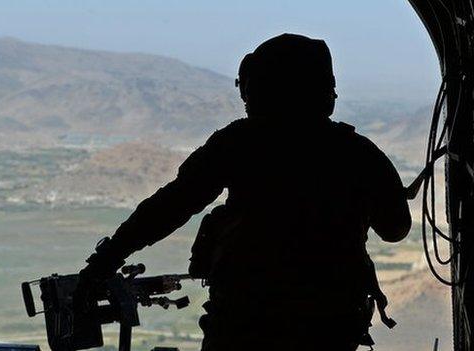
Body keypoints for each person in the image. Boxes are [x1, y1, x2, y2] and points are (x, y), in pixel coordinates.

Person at [77, 33, 412, 350]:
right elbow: (396, 229)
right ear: (326, 90)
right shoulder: (356, 152)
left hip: (245, 320)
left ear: (259, 88)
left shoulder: (238, 143)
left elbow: (171, 205)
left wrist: (107, 258)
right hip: (328, 326)